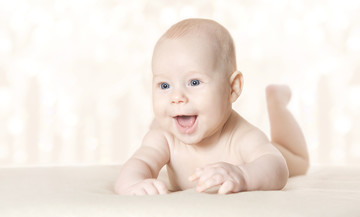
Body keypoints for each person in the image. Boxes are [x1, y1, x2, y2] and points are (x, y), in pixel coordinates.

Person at [114, 18, 309, 195]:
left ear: (232, 88)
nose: (177, 97)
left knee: (296, 160)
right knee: (156, 128)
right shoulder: (164, 138)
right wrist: (132, 183)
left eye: (194, 82)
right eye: (165, 86)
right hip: (161, 128)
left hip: (272, 154)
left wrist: (242, 174)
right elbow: (140, 163)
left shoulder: (241, 135)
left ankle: (277, 104)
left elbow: (276, 166)